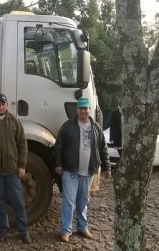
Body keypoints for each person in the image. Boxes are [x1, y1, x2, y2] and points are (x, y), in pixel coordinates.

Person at [55, 97, 111, 243]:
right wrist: (58, 164)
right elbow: (59, 146)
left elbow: (103, 148)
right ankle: (66, 230)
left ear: (89, 110)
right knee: (69, 201)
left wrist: (106, 167)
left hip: (88, 172)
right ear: (77, 110)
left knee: (83, 201)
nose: (83, 111)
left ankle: (82, 227)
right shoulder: (67, 126)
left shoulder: (96, 128)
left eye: (86, 108)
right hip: (70, 171)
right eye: (81, 108)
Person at [0, 93, 31, 244]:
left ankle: (24, 231)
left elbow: (22, 144)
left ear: (7, 105)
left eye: (3, 104)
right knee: (0, 202)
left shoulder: (14, 121)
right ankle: (3, 229)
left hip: (12, 170)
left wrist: (22, 165)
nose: (1, 106)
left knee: (17, 201)